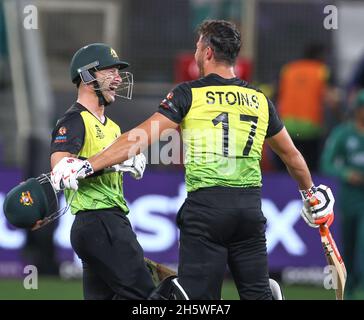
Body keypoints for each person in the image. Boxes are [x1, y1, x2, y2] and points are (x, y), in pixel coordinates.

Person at [51, 21, 335, 300]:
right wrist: (311, 194)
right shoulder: (259, 99)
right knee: (256, 292)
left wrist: (89, 164)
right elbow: (291, 155)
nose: (196, 53)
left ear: (208, 52)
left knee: (197, 299)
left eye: (198, 47)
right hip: (249, 209)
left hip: (206, 210)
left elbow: (141, 137)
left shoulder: (188, 93)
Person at [50, 43, 155, 300]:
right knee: (148, 298)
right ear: (87, 76)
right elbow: (60, 171)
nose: (119, 78)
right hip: (100, 223)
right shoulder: (74, 120)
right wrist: (117, 162)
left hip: (104, 224)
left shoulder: (115, 128)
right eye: (110, 71)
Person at [320, 90, 364, 300]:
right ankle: (348, 289)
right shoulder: (344, 133)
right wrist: (347, 174)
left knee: (362, 246)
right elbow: (326, 162)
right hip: (349, 198)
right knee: (347, 244)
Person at [276, 44, 339, 172]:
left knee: (286, 166)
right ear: (320, 56)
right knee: (310, 167)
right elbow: (332, 99)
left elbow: (278, 94)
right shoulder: (322, 71)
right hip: (311, 127)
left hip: (286, 126)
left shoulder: (288, 69)